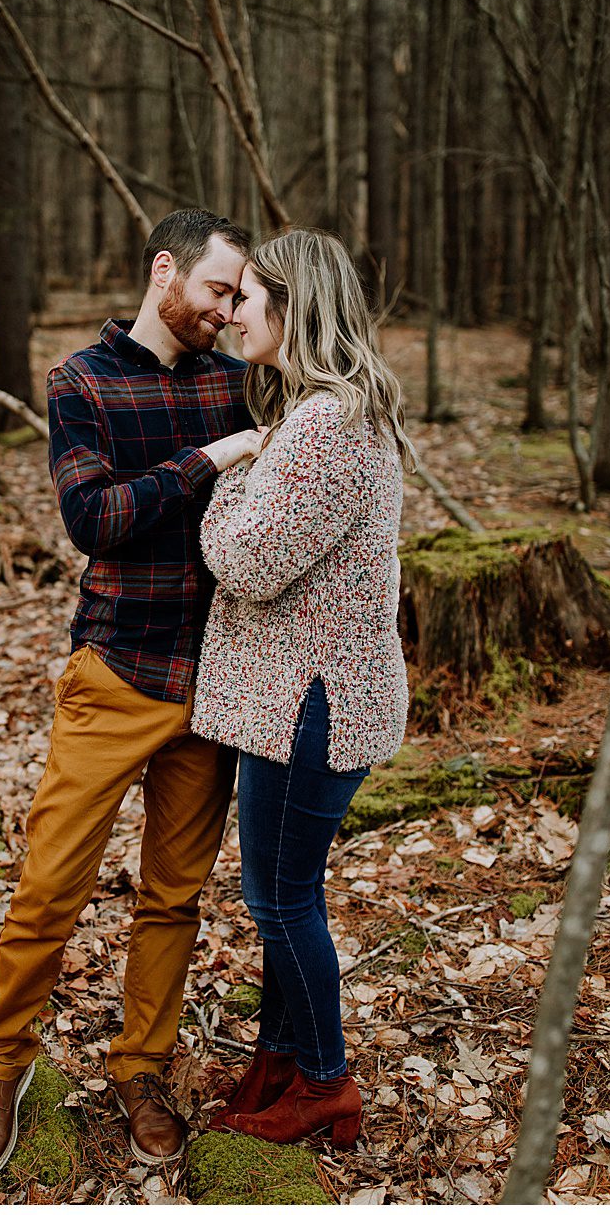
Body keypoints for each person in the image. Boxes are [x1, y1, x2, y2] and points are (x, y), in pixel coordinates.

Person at [0, 209, 264, 1183]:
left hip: (213, 685)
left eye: (238, 296)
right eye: (218, 289)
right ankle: (1, 1065)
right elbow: (95, 517)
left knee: (172, 898)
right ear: (165, 270)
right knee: (50, 883)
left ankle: (142, 1068)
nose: (227, 309)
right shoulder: (80, 383)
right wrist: (207, 460)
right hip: (115, 674)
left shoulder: (239, 381)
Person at [189, 228, 413, 1147]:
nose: (232, 312)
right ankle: (280, 1057)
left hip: (310, 699)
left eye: (246, 297)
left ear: (292, 306)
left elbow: (245, 563)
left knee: (282, 901)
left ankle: (326, 1080)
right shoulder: (324, 412)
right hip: (303, 692)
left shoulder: (326, 424)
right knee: (288, 893)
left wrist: (227, 476)